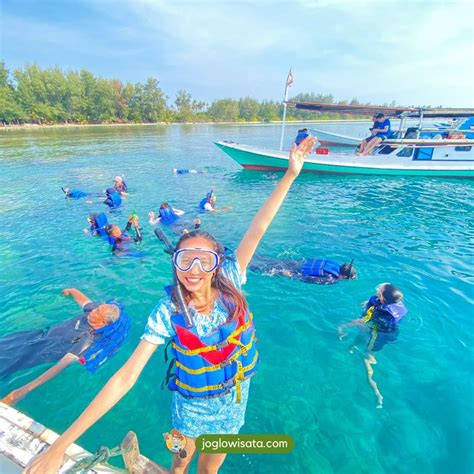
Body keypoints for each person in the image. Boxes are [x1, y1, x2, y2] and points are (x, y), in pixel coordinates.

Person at [24, 137, 316, 474]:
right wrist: (59, 447)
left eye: (203, 261)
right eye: (184, 261)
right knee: (179, 463)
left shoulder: (232, 280)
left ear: (217, 264)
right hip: (187, 412)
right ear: (174, 264)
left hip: (232, 406)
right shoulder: (169, 311)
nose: (194, 271)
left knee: (209, 471)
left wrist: (291, 174)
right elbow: (124, 378)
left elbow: (259, 225)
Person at [0, 288, 130, 405]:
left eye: (97, 312)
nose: (92, 310)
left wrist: (23, 391)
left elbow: (60, 366)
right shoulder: (93, 311)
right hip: (36, 336)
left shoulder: (87, 340)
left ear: (103, 323)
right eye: (96, 308)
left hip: (39, 353)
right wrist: (72, 291)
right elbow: (84, 301)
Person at [337, 283, 407, 408]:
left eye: (380, 290)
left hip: (379, 335)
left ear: (383, 298)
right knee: (363, 334)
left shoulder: (381, 311)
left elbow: (363, 320)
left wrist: (342, 327)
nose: (378, 289)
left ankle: (376, 392)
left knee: (367, 359)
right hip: (390, 332)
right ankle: (353, 347)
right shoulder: (396, 304)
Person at [249, 256, 356, 284]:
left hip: (299, 263)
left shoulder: (335, 264)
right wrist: (291, 276)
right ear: (345, 276)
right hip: (297, 271)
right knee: (264, 269)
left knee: (269, 260)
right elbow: (309, 279)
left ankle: (251, 257)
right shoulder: (332, 279)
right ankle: (249, 265)